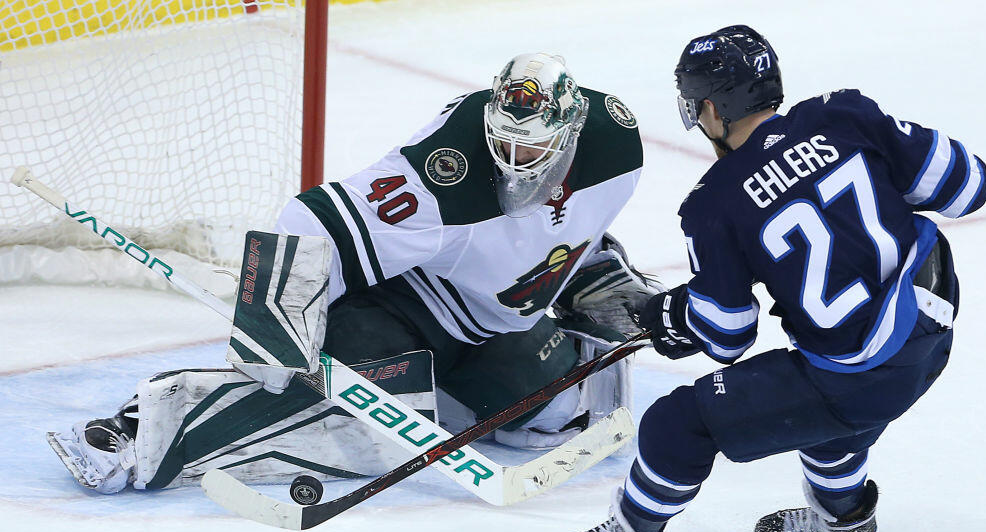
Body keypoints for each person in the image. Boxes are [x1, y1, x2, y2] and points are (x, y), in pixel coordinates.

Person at [48, 52, 660, 494]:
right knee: (354, 427)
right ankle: (142, 428)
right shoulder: (443, 171)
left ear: (571, 132)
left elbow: (565, 222)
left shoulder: (614, 143)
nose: (515, 163)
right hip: (399, 306)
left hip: (496, 324)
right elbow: (310, 221)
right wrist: (276, 327)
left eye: (532, 149)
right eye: (505, 144)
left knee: (554, 419)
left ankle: (448, 384)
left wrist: (589, 267)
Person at [541, 26, 986, 532]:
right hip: (930, 333)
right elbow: (968, 186)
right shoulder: (843, 115)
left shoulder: (713, 201)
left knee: (678, 423)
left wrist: (669, 316)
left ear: (710, 108)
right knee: (827, 418)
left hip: (856, 379)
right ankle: (844, 520)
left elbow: (726, 334)